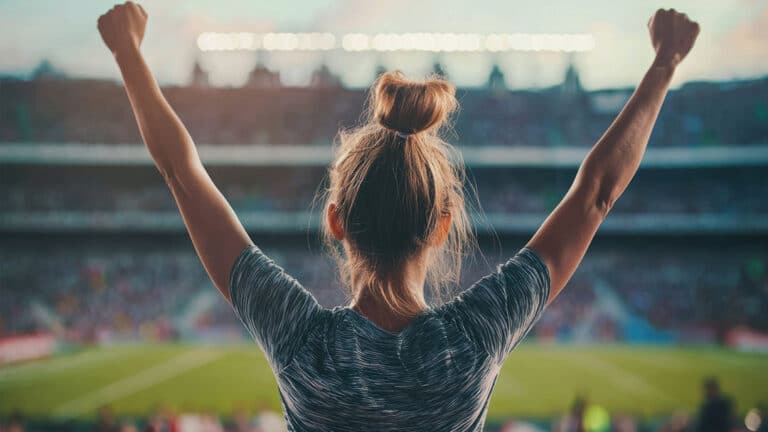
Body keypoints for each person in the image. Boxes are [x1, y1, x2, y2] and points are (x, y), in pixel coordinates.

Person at [97, 3, 699, 430]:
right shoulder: (471, 341)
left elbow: (183, 173)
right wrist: (664, 64)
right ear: (443, 225)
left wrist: (129, 53)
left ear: (336, 221)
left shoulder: (305, 344)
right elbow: (595, 193)